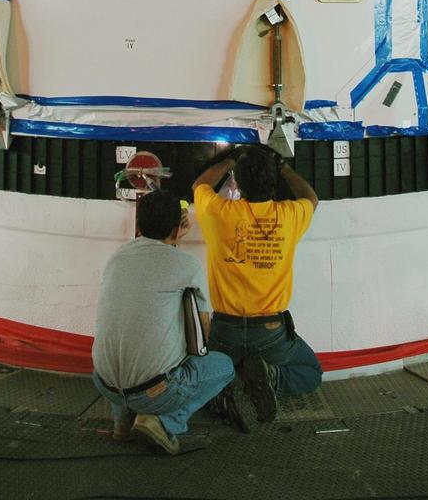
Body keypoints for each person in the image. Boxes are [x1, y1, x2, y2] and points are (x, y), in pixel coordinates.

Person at [91, 188, 234, 456]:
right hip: (153, 393)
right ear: (177, 228)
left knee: (128, 341)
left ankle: (122, 422)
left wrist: (172, 237)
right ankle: (164, 422)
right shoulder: (187, 266)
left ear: (139, 225)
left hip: (104, 382)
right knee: (224, 366)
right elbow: (203, 335)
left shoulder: (116, 258)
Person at [192, 144, 322, 431]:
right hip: (271, 333)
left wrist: (230, 159)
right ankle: (272, 376)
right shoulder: (289, 215)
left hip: (224, 331)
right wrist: (284, 167)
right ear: (273, 182)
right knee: (311, 372)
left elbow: (200, 185)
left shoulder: (218, 212)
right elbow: (310, 197)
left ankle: (228, 385)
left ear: (237, 184)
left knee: (204, 373)